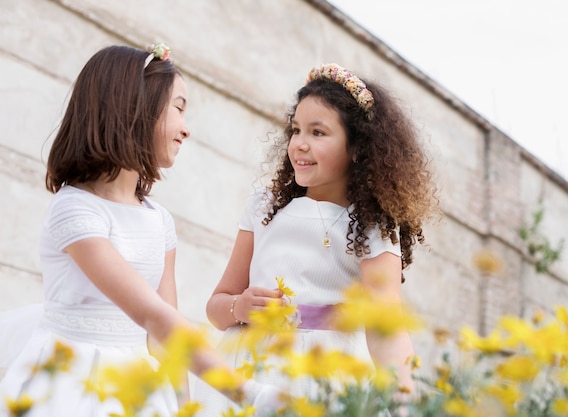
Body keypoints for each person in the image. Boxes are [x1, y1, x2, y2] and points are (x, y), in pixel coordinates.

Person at [0, 44, 279, 417]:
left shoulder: (158, 220)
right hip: (69, 384)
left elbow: (166, 339)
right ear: (135, 108)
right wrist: (250, 394)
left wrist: (183, 408)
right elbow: (154, 317)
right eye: (179, 108)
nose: (187, 128)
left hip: (138, 386)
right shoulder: (75, 209)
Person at [193, 63, 439, 415]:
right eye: (296, 131)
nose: (300, 144)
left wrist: (405, 403)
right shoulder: (264, 207)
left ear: (357, 148)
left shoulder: (372, 226)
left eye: (318, 133)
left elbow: (386, 328)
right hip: (247, 369)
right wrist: (240, 306)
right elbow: (216, 307)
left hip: (324, 374)